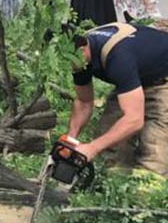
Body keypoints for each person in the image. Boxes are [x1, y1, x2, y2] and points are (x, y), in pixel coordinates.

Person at [66, 22, 168, 176]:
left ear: (81, 50)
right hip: (135, 77)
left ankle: (150, 190)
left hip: (162, 77)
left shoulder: (118, 56)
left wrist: (92, 148)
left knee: (153, 145)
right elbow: (84, 101)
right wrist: (70, 139)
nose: (69, 64)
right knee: (110, 131)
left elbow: (134, 119)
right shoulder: (79, 53)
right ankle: (115, 183)